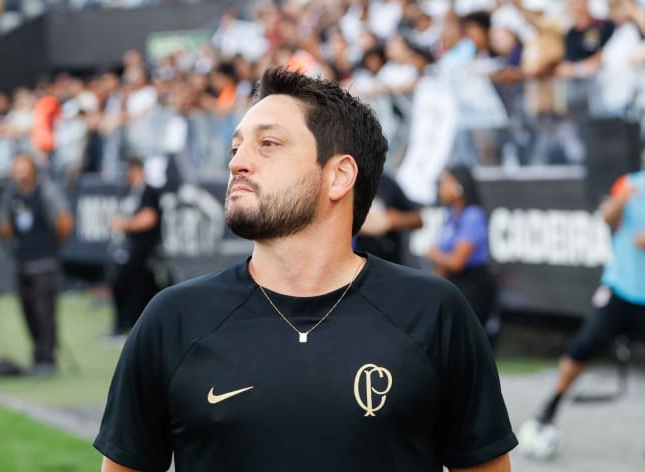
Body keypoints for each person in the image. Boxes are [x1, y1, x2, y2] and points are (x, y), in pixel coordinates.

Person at [95, 67, 516, 471]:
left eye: (269, 144)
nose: (237, 162)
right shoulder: (172, 318)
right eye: (235, 146)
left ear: (339, 176)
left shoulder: (433, 312)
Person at [535, 170, 645, 425]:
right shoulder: (630, 184)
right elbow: (606, 217)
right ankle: (552, 405)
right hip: (620, 287)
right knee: (583, 346)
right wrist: (620, 202)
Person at [0, 154, 74, 376]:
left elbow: (65, 222)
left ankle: (47, 358)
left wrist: (51, 245)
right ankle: (37, 354)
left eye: (24, 166)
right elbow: (4, 225)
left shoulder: (47, 191)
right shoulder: (10, 194)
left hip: (44, 262)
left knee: (44, 311)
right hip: (22, 262)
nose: (19, 170)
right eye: (16, 166)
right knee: (27, 310)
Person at [428, 165, 499, 349]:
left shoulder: (473, 216)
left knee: (467, 344)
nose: (441, 187)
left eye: (445, 182)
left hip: (473, 286)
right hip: (454, 283)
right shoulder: (451, 215)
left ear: (458, 187)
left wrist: (436, 254)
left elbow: (457, 261)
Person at [107, 156, 161, 339]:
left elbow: (149, 218)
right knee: (122, 283)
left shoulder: (149, 192)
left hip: (143, 250)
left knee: (132, 285)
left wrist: (124, 224)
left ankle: (127, 325)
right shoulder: (132, 192)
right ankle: (124, 324)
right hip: (131, 248)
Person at [356, 172, 423, 264]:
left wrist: (391, 220)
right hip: (354, 263)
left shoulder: (385, 183)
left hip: (388, 259)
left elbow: (419, 219)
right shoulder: (338, 183)